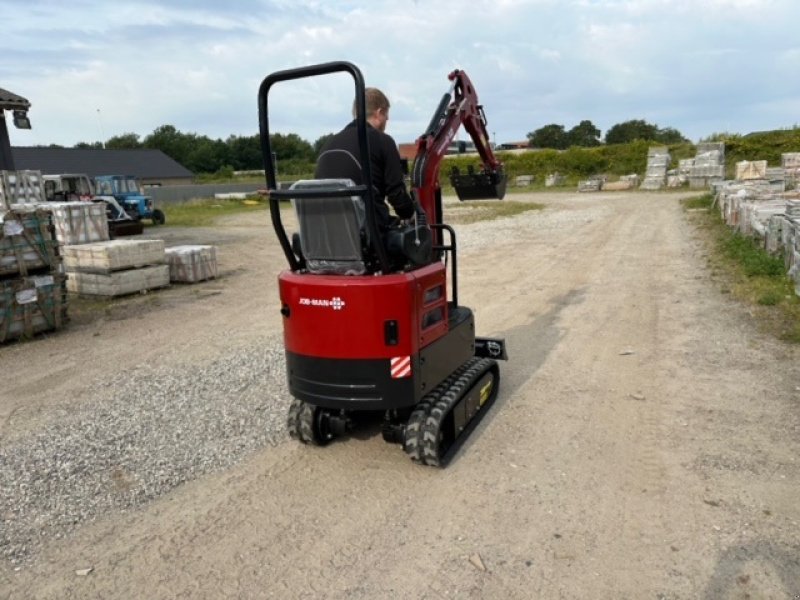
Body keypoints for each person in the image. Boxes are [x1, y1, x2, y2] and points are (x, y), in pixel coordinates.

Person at [315, 87, 416, 229]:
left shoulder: (328, 144)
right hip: (367, 233)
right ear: (379, 112)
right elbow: (396, 195)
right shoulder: (383, 141)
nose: (387, 120)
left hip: (328, 232)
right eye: (386, 116)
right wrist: (413, 215)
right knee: (417, 236)